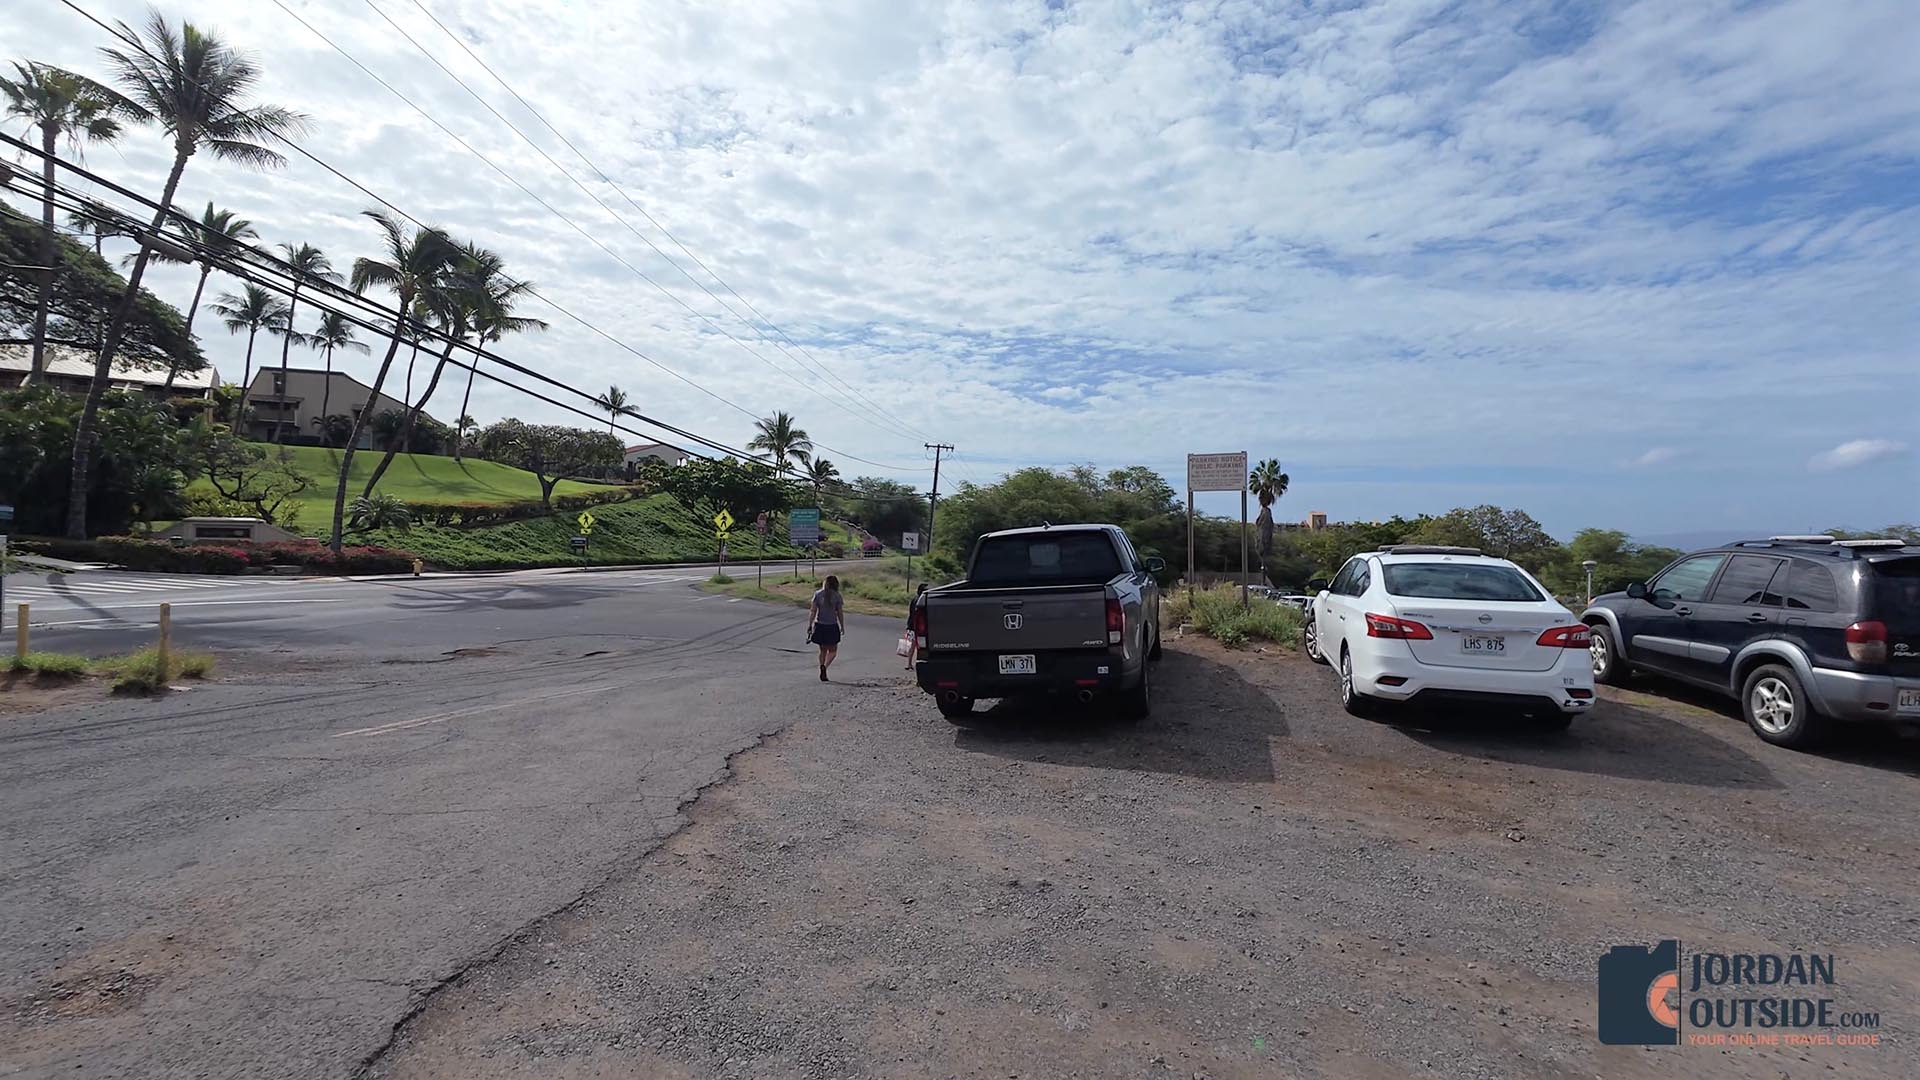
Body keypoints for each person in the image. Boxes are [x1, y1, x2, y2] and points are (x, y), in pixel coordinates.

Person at [808, 575, 845, 681]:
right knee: (833, 651)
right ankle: (825, 667)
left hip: (820, 625)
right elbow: (840, 613)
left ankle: (821, 666)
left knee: (822, 650)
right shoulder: (837, 596)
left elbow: (813, 611)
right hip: (832, 625)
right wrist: (842, 625)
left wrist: (810, 624)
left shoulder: (818, 594)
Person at [904, 583, 929, 669]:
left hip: (912, 625)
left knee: (913, 645)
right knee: (917, 645)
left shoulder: (914, 599)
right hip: (916, 626)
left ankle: (910, 663)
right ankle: (912, 663)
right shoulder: (921, 601)